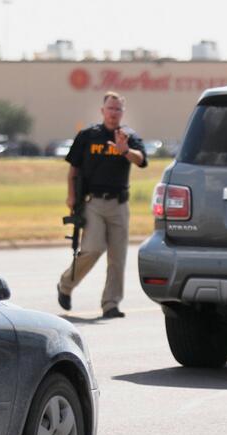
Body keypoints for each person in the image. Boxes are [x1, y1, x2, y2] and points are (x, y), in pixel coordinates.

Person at [57, 91, 147, 318]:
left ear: (122, 112)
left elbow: (142, 160)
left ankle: (111, 304)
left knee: (118, 257)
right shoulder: (88, 135)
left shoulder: (128, 136)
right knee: (93, 248)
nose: (114, 113)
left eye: (118, 109)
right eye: (110, 108)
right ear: (102, 110)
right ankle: (66, 285)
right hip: (94, 202)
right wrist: (71, 196)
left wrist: (125, 150)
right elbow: (73, 169)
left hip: (119, 204)